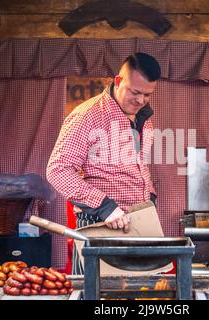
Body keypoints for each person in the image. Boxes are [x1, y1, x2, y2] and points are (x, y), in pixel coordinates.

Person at [46, 52, 160, 274]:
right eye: (135, 92)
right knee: (96, 296)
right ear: (118, 82)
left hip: (139, 220)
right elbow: (58, 170)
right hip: (100, 223)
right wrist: (106, 208)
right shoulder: (87, 116)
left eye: (147, 95)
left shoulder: (143, 119)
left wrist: (149, 198)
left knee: (141, 295)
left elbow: (137, 165)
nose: (141, 101)